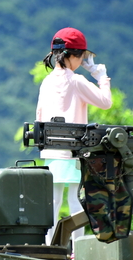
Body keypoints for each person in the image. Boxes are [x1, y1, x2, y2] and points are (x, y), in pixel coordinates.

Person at [36, 27, 112, 248]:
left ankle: (49, 248)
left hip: (51, 150)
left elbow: (39, 115)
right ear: (74, 55)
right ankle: (77, 252)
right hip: (73, 152)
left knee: (53, 202)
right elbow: (106, 102)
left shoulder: (47, 81)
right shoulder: (77, 81)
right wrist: (100, 77)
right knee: (75, 201)